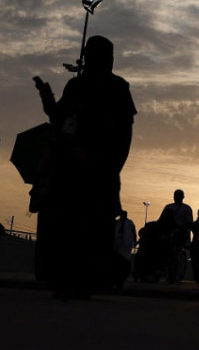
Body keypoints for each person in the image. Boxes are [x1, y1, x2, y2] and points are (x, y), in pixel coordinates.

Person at [32, 35, 136, 300]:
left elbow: (124, 134)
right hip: (71, 169)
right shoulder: (76, 86)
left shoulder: (118, 88)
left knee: (93, 228)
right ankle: (67, 280)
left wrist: (106, 164)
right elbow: (60, 121)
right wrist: (48, 101)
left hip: (101, 170)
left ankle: (89, 281)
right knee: (64, 226)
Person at [161, 189, 194, 283]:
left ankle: (175, 273)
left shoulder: (186, 209)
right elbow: (162, 220)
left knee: (176, 254)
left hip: (180, 235)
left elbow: (189, 223)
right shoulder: (168, 207)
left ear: (182, 197)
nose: (177, 197)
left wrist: (180, 229)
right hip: (168, 234)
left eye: (179, 196)